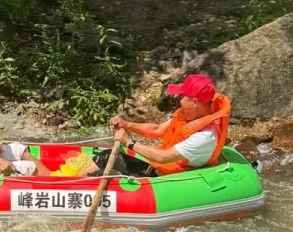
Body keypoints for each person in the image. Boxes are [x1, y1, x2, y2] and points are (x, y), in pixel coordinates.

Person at [85, 73, 230, 178]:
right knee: (105, 155)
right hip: (160, 165)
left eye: (181, 96)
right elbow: (157, 129)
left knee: (105, 157)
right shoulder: (189, 117)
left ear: (194, 102)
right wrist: (126, 124)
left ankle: (70, 184)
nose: (178, 99)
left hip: (166, 175)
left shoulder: (205, 136)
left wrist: (128, 142)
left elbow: (163, 158)